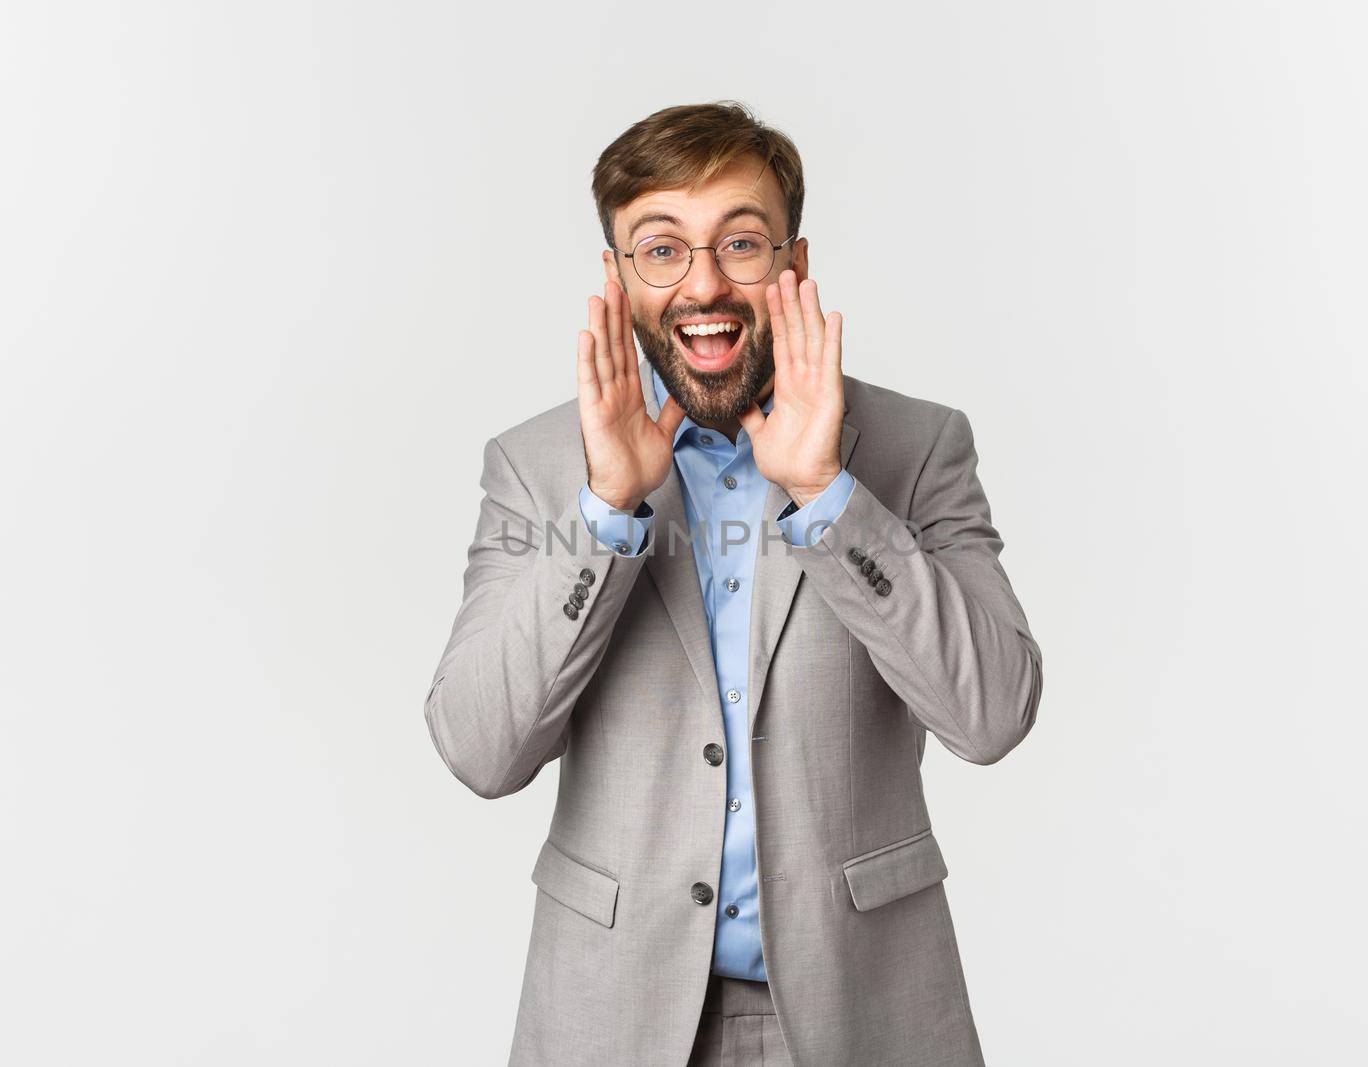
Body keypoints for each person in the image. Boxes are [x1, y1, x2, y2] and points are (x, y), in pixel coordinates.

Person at [423, 100, 1043, 1066]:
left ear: (792, 265)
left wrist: (828, 493)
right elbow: (478, 748)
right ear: (619, 279)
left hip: (865, 1015)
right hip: (611, 1015)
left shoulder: (918, 451)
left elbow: (993, 714)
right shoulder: (538, 465)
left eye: (740, 243)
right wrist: (604, 513)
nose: (702, 283)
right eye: (660, 249)